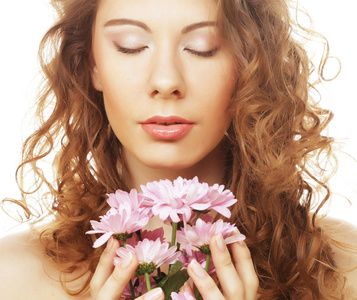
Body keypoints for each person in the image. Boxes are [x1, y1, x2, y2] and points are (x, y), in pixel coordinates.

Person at [0, 0, 356, 299]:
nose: (166, 81)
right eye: (130, 45)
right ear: (91, 64)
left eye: (203, 46)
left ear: (248, 63)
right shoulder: (12, 279)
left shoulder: (344, 269)